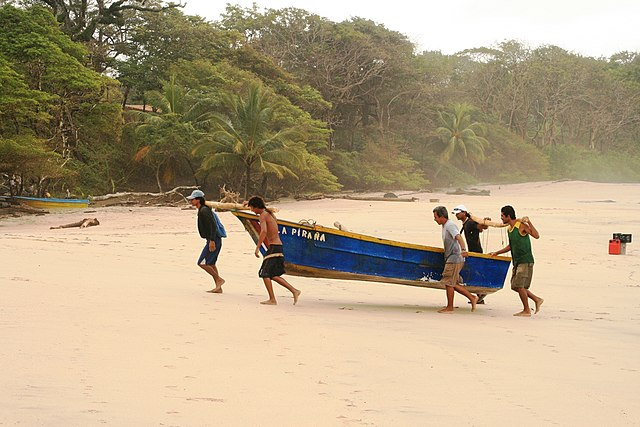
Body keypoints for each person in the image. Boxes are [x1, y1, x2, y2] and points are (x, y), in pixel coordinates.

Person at [489, 205, 544, 317]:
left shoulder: (521, 226)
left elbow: (536, 236)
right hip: (517, 261)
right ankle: (536, 299)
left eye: (502, 216)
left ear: (508, 216)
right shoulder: (509, 229)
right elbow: (511, 246)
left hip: (525, 260)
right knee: (515, 286)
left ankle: (526, 310)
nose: (501, 218)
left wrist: (529, 222)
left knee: (519, 286)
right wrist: (497, 252)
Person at [247, 196, 301, 305]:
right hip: (278, 246)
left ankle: (272, 299)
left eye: (252, 208)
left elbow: (264, 232)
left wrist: (258, 247)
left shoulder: (263, 215)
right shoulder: (269, 213)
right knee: (273, 275)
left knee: (264, 273)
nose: (252, 211)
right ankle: (294, 291)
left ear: (256, 207)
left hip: (274, 247)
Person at [432, 206, 478, 313]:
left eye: (435, 217)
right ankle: (472, 298)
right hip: (452, 257)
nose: (435, 219)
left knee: (448, 283)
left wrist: (463, 249)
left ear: (442, 216)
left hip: (455, 258)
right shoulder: (444, 225)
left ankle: (450, 307)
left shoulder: (450, 225)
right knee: (453, 283)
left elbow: (458, 237)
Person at [187, 189, 225, 293]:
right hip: (212, 239)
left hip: (214, 239)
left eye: (192, 199)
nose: (191, 201)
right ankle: (218, 287)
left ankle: (219, 280)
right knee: (211, 263)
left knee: (201, 263)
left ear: (198, 200)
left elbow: (212, 226)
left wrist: (212, 241)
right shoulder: (203, 209)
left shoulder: (204, 210)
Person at [452, 204, 488, 304]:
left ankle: (481, 294)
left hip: (475, 252)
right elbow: (480, 229)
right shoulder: (466, 223)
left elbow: (481, 227)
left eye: (458, 213)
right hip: (473, 251)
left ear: (464, 213)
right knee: (473, 271)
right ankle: (480, 296)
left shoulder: (470, 223)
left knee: (473, 272)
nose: (456, 215)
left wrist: (485, 223)